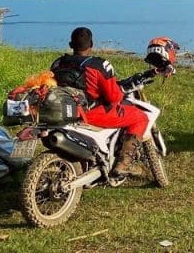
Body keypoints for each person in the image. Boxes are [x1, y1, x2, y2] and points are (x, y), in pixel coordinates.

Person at [50, 27, 149, 177]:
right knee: (140, 117)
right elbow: (113, 98)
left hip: (63, 110)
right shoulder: (99, 65)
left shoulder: (58, 64)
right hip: (90, 113)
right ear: (91, 45)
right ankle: (124, 164)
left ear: (71, 44)